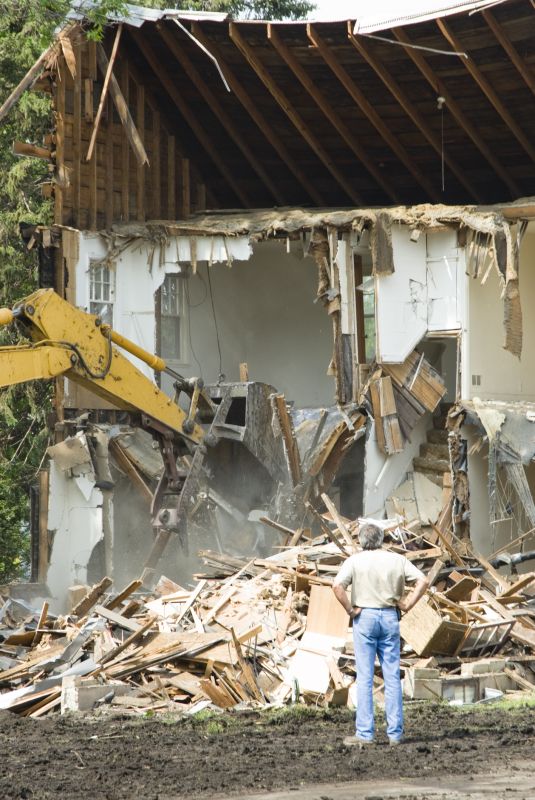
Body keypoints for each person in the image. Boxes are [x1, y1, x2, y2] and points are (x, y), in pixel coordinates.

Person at [333, 522, 429, 747]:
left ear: (361, 540)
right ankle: (395, 734)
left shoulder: (354, 561)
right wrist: (407, 604)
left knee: (365, 677)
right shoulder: (396, 559)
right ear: (382, 539)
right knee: (392, 676)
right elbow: (423, 580)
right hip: (389, 617)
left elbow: (337, 586)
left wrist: (350, 609)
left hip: (364, 617)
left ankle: (365, 734)